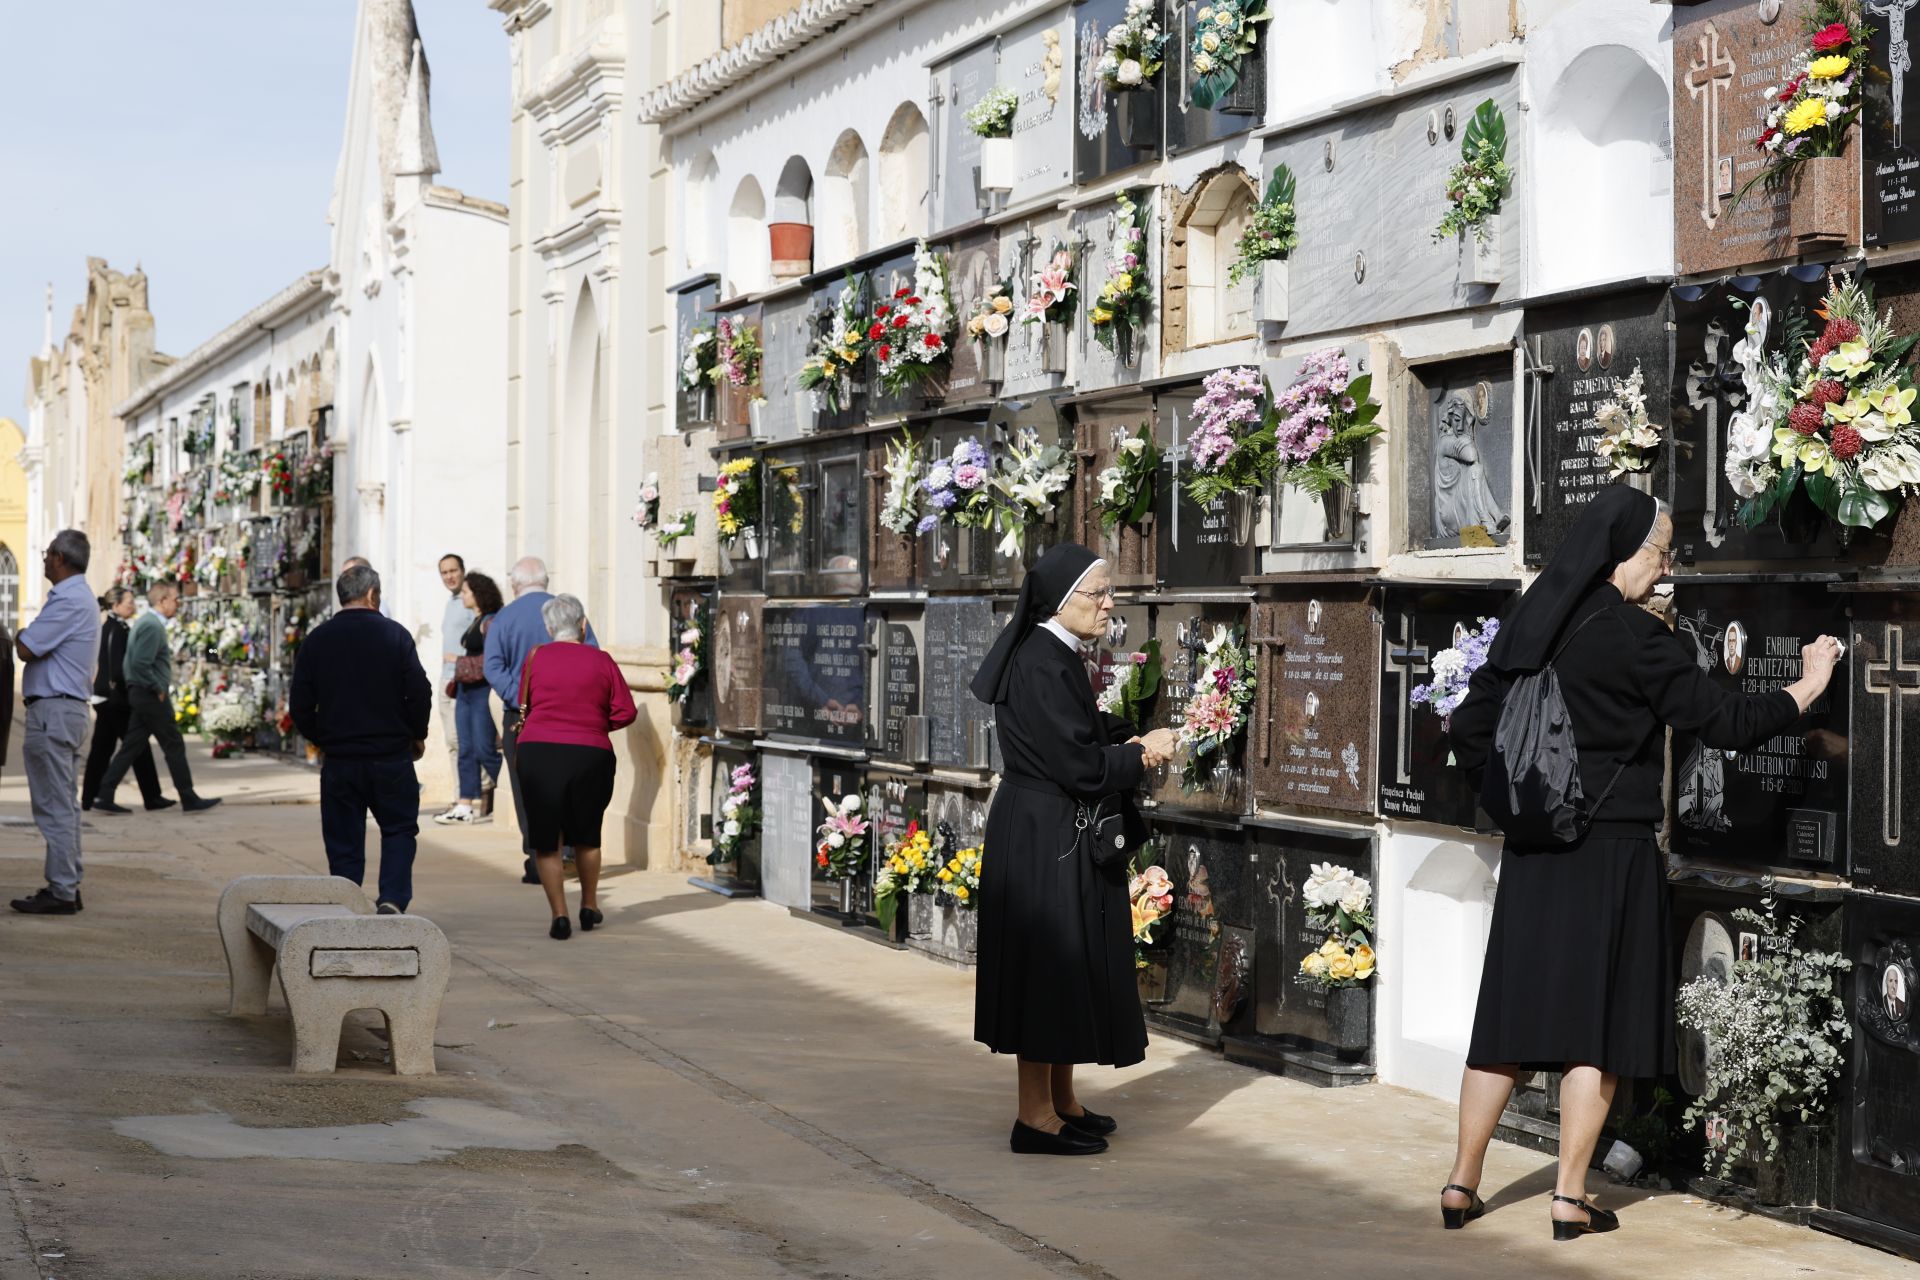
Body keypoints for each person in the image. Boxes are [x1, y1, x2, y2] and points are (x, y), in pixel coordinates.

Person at [1442, 487, 1841, 1240]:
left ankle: (1461, 1184)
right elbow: (1724, 720)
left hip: (1534, 852)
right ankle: (1567, 1197)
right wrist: (1807, 685)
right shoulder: (1634, 637)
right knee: (1595, 1027)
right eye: (1659, 552)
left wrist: (1519, 799)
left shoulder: (1535, 621)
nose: (1663, 569)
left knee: (1509, 1020)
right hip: (1610, 852)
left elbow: (1469, 728)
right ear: (1624, 551)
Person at [969, 543, 1176, 1157]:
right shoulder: (1042, 659)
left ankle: (1062, 1100)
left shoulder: (1052, 653)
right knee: (1047, 968)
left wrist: (1120, 738)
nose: (1109, 605)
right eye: (1100, 594)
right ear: (1063, 600)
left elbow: (1074, 735)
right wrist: (1141, 755)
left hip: (1047, 825)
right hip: (1044, 830)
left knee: (1066, 966)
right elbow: (1075, 765)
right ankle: (1033, 1118)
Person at [290, 562, 432, 913]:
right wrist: (417, 734)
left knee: (343, 838)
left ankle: (346, 900)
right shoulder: (395, 635)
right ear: (372, 595)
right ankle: (393, 900)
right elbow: (419, 691)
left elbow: (300, 705)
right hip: (391, 754)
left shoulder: (317, 640)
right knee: (398, 829)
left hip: (341, 758)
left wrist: (323, 737)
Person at [516, 594, 635, 939]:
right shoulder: (602, 661)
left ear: (550, 628)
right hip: (589, 752)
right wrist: (594, 726)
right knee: (587, 836)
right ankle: (589, 904)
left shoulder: (536, 657)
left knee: (546, 841)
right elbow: (626, 710)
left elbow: (524, 701)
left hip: (538, 750)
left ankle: (559, 915)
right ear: (583, 625)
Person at [484, 556, 598, 885]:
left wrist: (520, 698)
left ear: (515, 584)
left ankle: (538, 857)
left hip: (521, 720)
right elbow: (592, 652)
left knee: (527, 790)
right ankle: (567, 853)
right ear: (546, 582)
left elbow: (493, 667)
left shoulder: (503, 619)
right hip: (571, 715)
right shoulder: (570, 613)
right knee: (568, 785)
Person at [12, 531, 102, 914]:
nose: (44, 560)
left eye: (48, 554)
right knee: (63, 804)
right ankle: (68, 883)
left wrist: (16, 633)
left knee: (54, 806)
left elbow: (27, 647)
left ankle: (62, 890)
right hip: (63, 711)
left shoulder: (70, 600)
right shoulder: (78, 598)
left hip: (54, 712)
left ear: (61, 558)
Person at [92, 580, 222, 816]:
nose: (178, 603)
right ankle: (188, 796)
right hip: (149, 694)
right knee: (173, 743)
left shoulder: (146, 623)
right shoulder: (152, 626)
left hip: (142, 693)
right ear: (162, 601)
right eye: (175, 599)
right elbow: (141, 663)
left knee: (131, 747)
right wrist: (156, 686)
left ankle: (105, 792)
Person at [82, 587, 169, 812]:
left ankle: (91, 797)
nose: (132, 605)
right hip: (115, 700)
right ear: (116, 605)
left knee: (103, 750)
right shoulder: (114, 630)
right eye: (129, 601)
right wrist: (132, 687)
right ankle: (146, 796)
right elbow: (118, 669)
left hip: (109, 699)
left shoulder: (115, 627)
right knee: (135, 746)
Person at [436, 570, 503, 826]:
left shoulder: (491, 621)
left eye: (466, 592)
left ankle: (511, 791)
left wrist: (458, 661)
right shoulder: (476, 619)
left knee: (484, 748)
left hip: (482, 691)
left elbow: (492, 659)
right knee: (465, 747)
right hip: (465, 690)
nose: (462, 595)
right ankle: (465, 803)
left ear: (478, 594)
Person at [432, 553, 474, 813]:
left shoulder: (469, 600)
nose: (449, 576)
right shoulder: (450, 603)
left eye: (453, 571)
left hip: (462, 677)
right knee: (450, 741)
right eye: (444, 572)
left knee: (461, 740)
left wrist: (461, 661)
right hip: (445, 678)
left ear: (462, 570)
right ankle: (460, 794)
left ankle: (469, 796)